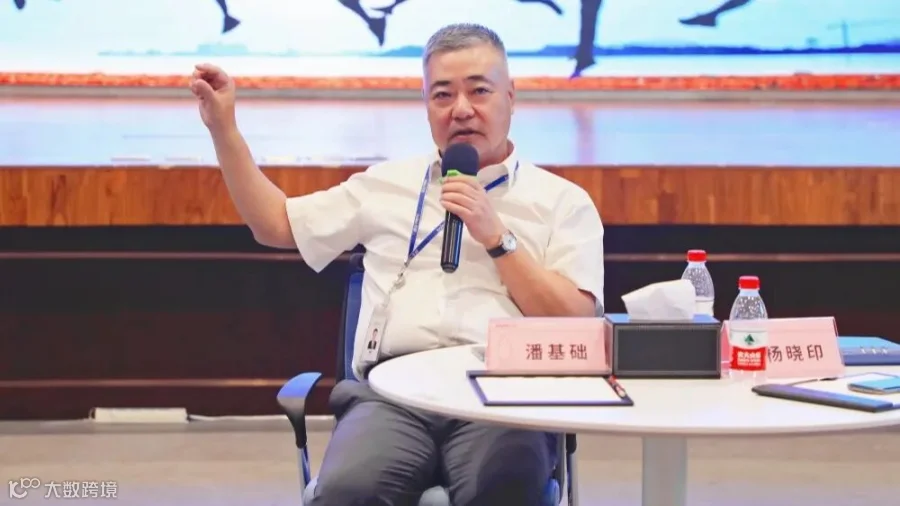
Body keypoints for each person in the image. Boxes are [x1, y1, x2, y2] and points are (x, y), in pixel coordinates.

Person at [190, 22, 604, 506]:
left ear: (510, 97)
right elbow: (275, 224)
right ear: (426, 105)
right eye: (442, 95)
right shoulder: (386, 185)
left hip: (502, 396)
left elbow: (577, 322)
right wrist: (223, 129)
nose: (461, 109)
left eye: (479, 91)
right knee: (348, 491)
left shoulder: (561, 202)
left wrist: (497, 238)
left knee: (504, 489)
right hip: (393, 395)